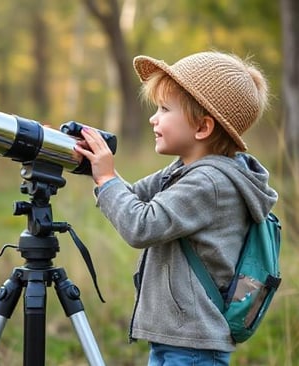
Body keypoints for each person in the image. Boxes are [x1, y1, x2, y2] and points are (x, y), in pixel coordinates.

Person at [74, 51, 278, 366]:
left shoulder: (209, 183)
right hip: (178, 339)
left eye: (165, 109)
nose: (153, 118)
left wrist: (106, 178)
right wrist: (92, 166)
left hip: (194, 346)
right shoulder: (184, 170)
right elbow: (130, 197)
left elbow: (140, 225)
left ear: (202, 128)